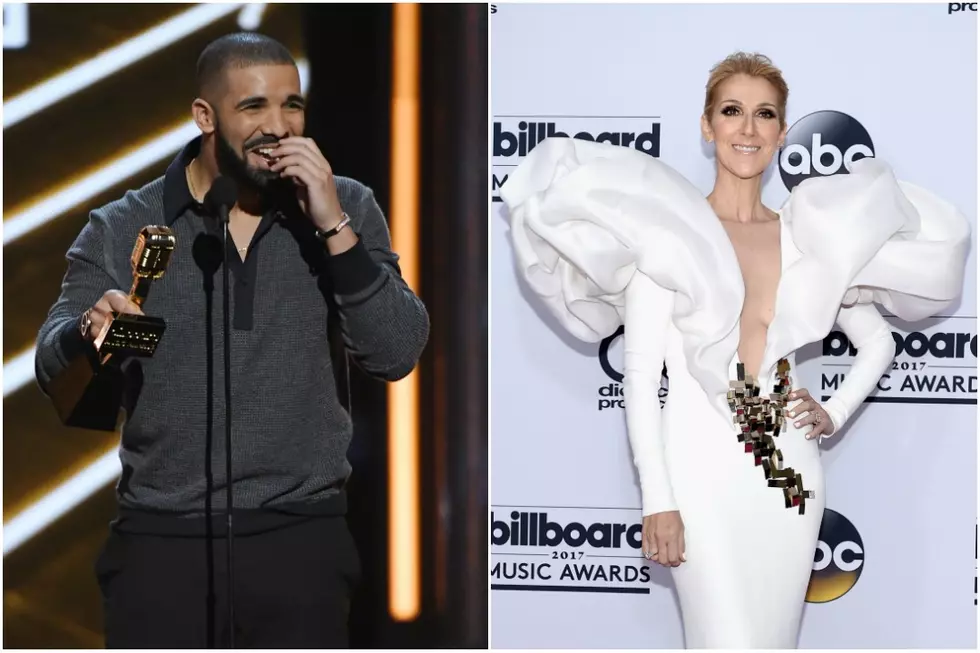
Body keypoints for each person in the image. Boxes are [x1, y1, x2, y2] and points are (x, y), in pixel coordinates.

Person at [501, 52, 968, 648]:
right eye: (732, 111)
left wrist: (835, 411)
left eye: (764, 115)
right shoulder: (667, 231)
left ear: (780, 132)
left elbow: (876, 342)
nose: (747, 129)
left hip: (790, 482)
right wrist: (658, 500)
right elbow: (640, 379)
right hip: (699, 478)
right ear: (706, 125)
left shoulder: (807, 241)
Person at [34, 32, 429, 648]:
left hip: (300, 543)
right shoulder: (121, 226)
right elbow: (52, 364)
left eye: (292, 105)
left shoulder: (345, 206)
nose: (279, 126)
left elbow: (398, 349)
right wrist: (90, 336)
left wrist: (331, 226)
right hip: (161, 547)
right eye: (254, 107)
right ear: (205, 116)